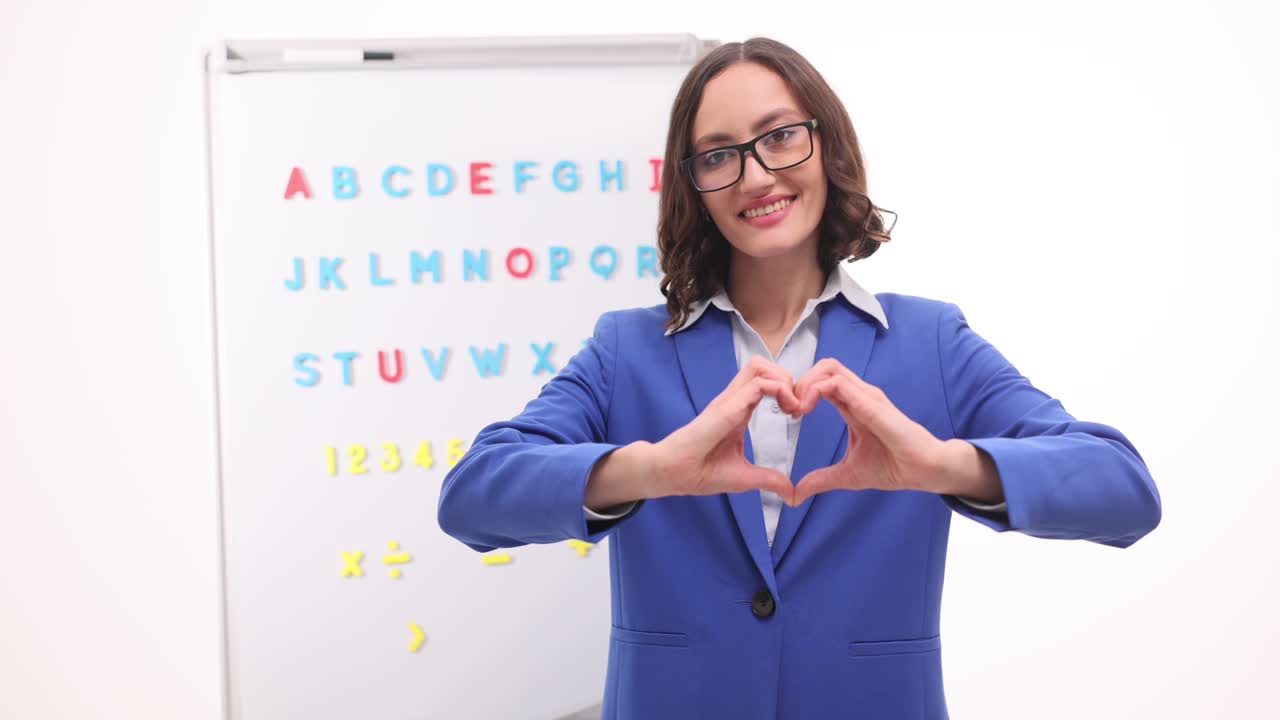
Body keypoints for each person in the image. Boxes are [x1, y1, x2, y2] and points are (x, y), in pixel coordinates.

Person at [438, 36, 1161, 720]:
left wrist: (941, 465)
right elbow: (472, 497)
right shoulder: (627, 349)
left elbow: (1123, 490)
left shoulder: (930, 341)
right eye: (718, 155)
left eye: (780, 136)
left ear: (828, 145)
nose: (755, 175)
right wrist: (651, 469)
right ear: (694, 186)